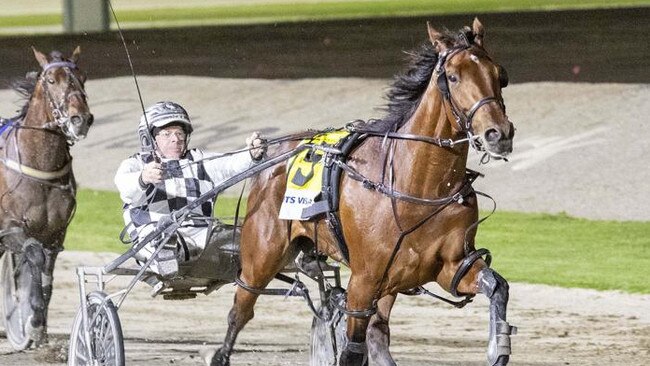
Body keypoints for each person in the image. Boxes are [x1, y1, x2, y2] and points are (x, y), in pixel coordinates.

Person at [114, 101, 266, 277]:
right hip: (154, 235)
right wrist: (142, 178)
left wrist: (251, 154)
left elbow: (231, 164)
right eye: (166, 134)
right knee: (160, 239)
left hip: (202, 236)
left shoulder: (199, 159)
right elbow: (125, 188)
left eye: (179, 133)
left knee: (249, 237)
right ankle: (166, 256)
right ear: (148, 138)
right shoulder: (136, 164)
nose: (176, 139)